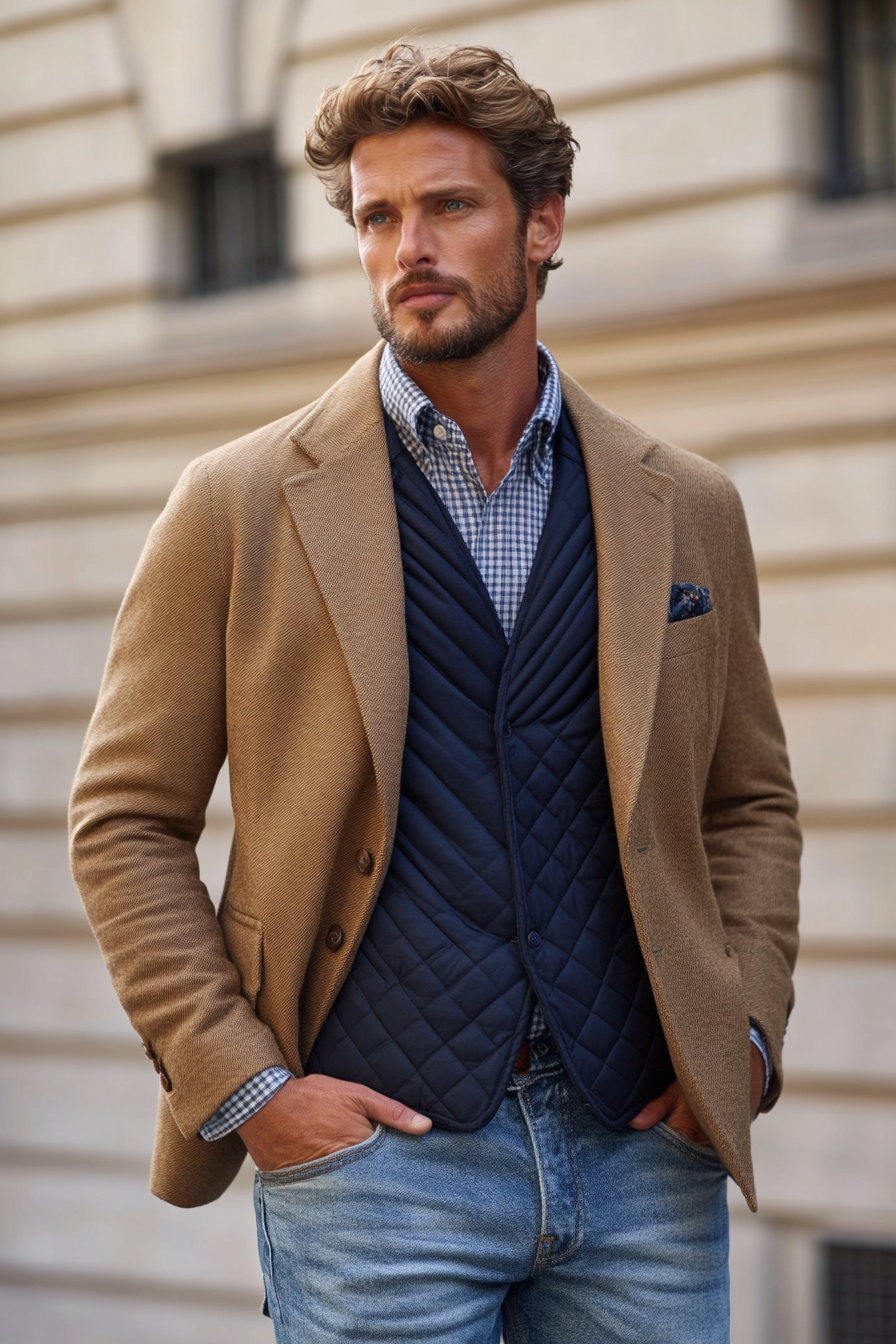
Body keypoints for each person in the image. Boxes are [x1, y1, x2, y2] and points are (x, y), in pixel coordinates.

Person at [70, 43, 800, 1344]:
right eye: (378, 216)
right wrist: (249, 1087)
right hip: (375, 1173)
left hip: (646, 1157)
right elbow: (123, 821)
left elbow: (747, 802)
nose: (408, 245)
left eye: (450, 206)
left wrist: (741, 1036)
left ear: (543, 226)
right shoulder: (235, 506)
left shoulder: (686, 507)